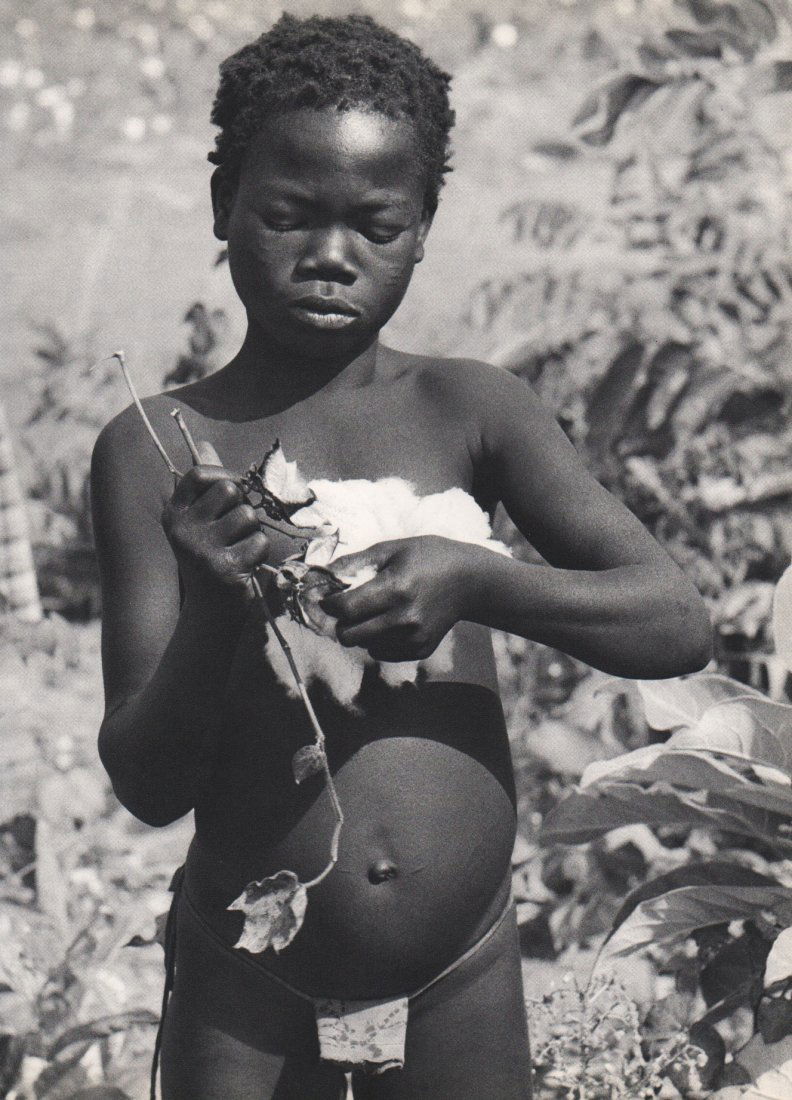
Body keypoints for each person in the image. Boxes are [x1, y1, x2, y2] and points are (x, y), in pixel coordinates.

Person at [90, 13, 712, 1100]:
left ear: (423, 226)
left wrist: (477, 578)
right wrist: (220, 604)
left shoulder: (471, 411)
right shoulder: (161, 452)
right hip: (247, 982)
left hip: (458, 973)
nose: (331, 257)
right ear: (224, 207)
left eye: (376, 225)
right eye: (288, 216)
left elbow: (675, 621)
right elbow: (147, 783)